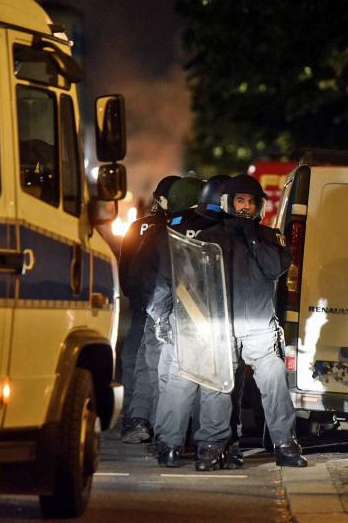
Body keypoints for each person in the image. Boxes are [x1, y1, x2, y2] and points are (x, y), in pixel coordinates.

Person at [197, 174, 308, 468]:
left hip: (259, 328)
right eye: (239, 201)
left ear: (259, 206)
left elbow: (275, 270)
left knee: (274, 384)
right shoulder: (210, 237)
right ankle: (213, 444)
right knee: (217, 387)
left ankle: (285, 444)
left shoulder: (271, 238)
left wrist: (253, 237)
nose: (245, 207)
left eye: (250, 202)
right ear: (228, 203)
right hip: (221, 327)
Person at [149, 175, 237, 469]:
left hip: (183, 316)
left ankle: (169, 446)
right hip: (220, 320)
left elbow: (163, 278)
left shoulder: (177, 227)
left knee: (179, 380)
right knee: (216, 385)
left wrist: (161, 317)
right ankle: (210, 447)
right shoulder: (234, 231)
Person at [124, 176, 203, 443]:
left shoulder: (149, 229)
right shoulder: (205, 229)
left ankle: (140, 422)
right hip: (181, 312)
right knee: (165, 370)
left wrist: (141, 301)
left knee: (147, 366)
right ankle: (167, 429)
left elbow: (132, 271)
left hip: (151, 307)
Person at [119, 175, 180, 443]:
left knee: (137, 363)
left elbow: (127, 270)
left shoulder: (139, 227)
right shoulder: (182, 227)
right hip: (167, 307)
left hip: (144, 305)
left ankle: (134, 421)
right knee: (154, 365)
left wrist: (137, 298)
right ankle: (153, 422)